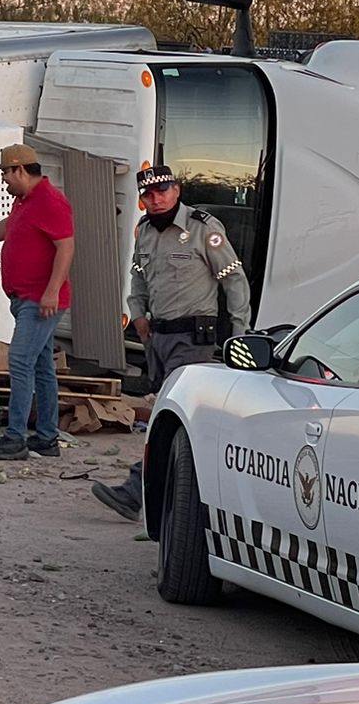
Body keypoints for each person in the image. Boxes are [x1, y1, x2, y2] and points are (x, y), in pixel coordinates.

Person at [92, 164, 252, 521]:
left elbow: (234, 280)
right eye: (148, 195)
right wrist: (138, 313)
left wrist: (240, 336)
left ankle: (135, 491)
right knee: (174, 420)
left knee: (171, 417)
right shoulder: (145, 232)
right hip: (158, 338)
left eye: (163, 191)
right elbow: (138, 276)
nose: (157, 199)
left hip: (193, 339)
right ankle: (176, 501)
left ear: (176, 190)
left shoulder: (202, 228)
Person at [0, 144, 76, 461]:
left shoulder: (50, 201)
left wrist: (52, 290)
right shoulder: (24, 201)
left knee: (20, 361)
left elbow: (65, 248)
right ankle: (47, 438)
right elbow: (10, 228)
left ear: (19, 170)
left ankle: (15, 437)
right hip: (27, 298)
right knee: (41, 366)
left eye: (5, 173)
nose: (4, 180)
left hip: (40, 300)